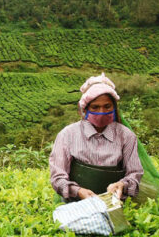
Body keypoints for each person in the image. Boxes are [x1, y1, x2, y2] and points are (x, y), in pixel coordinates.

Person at [49, 74, 143, 202]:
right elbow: (57, 177)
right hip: (76, 203)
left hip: (114, 203)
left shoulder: (126, 136)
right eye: (95, 107)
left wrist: (122, 185)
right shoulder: (68, 135)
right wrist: (78, 191)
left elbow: (134, 174)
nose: (101, 112)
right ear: (85, 109)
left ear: (114, 108)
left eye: (107, 106)